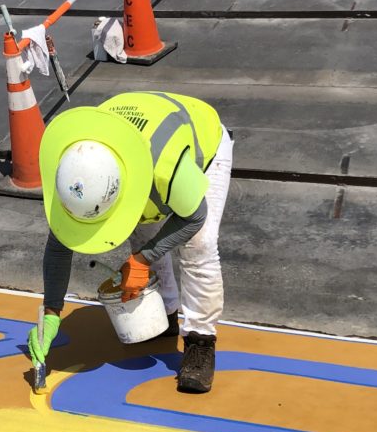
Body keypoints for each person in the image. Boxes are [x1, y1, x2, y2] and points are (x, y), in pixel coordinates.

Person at [26, 91, 233, 393]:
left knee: (198, 244)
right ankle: (167, 310)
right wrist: (52, 313)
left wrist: (143, 259)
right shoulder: (73, 169)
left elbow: (194, 216)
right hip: (137, 136)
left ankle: (200, 340)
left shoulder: (165, 166)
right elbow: (59, 245)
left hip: (203, 141)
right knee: (143, 229)